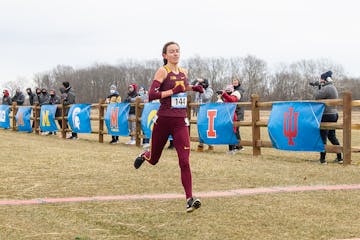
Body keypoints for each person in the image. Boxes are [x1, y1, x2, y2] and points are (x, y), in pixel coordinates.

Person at [133, 41, 204, 212]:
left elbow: (182, 87)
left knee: (184, 161)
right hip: (163, 121)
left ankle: (189, 199)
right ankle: (145, 155)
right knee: (155, 159)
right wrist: (173, 91)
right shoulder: (162, 71)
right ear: (164, 55)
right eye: (171, 51)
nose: (175, 54)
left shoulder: (183, 71)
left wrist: (194, 87)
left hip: (180, 121)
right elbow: (151, 95)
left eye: (177, 51)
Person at [313, 70, 342, 164]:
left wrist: (318, 87)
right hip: (334, 114)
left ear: (325, 80)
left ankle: (322, 160)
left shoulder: (327, 88)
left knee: (323, 137)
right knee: (332, 136)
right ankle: (340, 157)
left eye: (321, 79)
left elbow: (317, 96)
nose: (320, 80)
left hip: (326, 115)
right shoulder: (332, 87)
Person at [217, 84, 241, 154]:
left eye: (229, 90)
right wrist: (220, 98)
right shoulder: (226, 97)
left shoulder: (234, 96)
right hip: (227, 117)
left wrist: (224, 94)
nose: (228, 92)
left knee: (232, 132)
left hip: (232, 116)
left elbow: (231, 100)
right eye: (226, 90)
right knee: (228, 132)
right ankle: (230, 149)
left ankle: (234, 148)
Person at [192, 78, 214, 152]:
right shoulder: (198, 89)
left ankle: (206, 145)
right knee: (199, 128)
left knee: (205, 128)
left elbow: (206, 98)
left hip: (206, 112)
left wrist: (202, 90)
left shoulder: (209, 90)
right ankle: (204, 145)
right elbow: (191, 85)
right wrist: (196, 81)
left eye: (203, 84)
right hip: (199, 111)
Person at [232, 78, 245, 151]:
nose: (235, 83)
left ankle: (238, 146)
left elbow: (235, 97)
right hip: (233, 112)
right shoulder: (231, 89)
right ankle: (238, 146)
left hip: (238, 112)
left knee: (236, 129)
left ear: (238, 82)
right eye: (234, 81)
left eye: (236, 81)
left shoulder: (240, 90)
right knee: (234, 129)